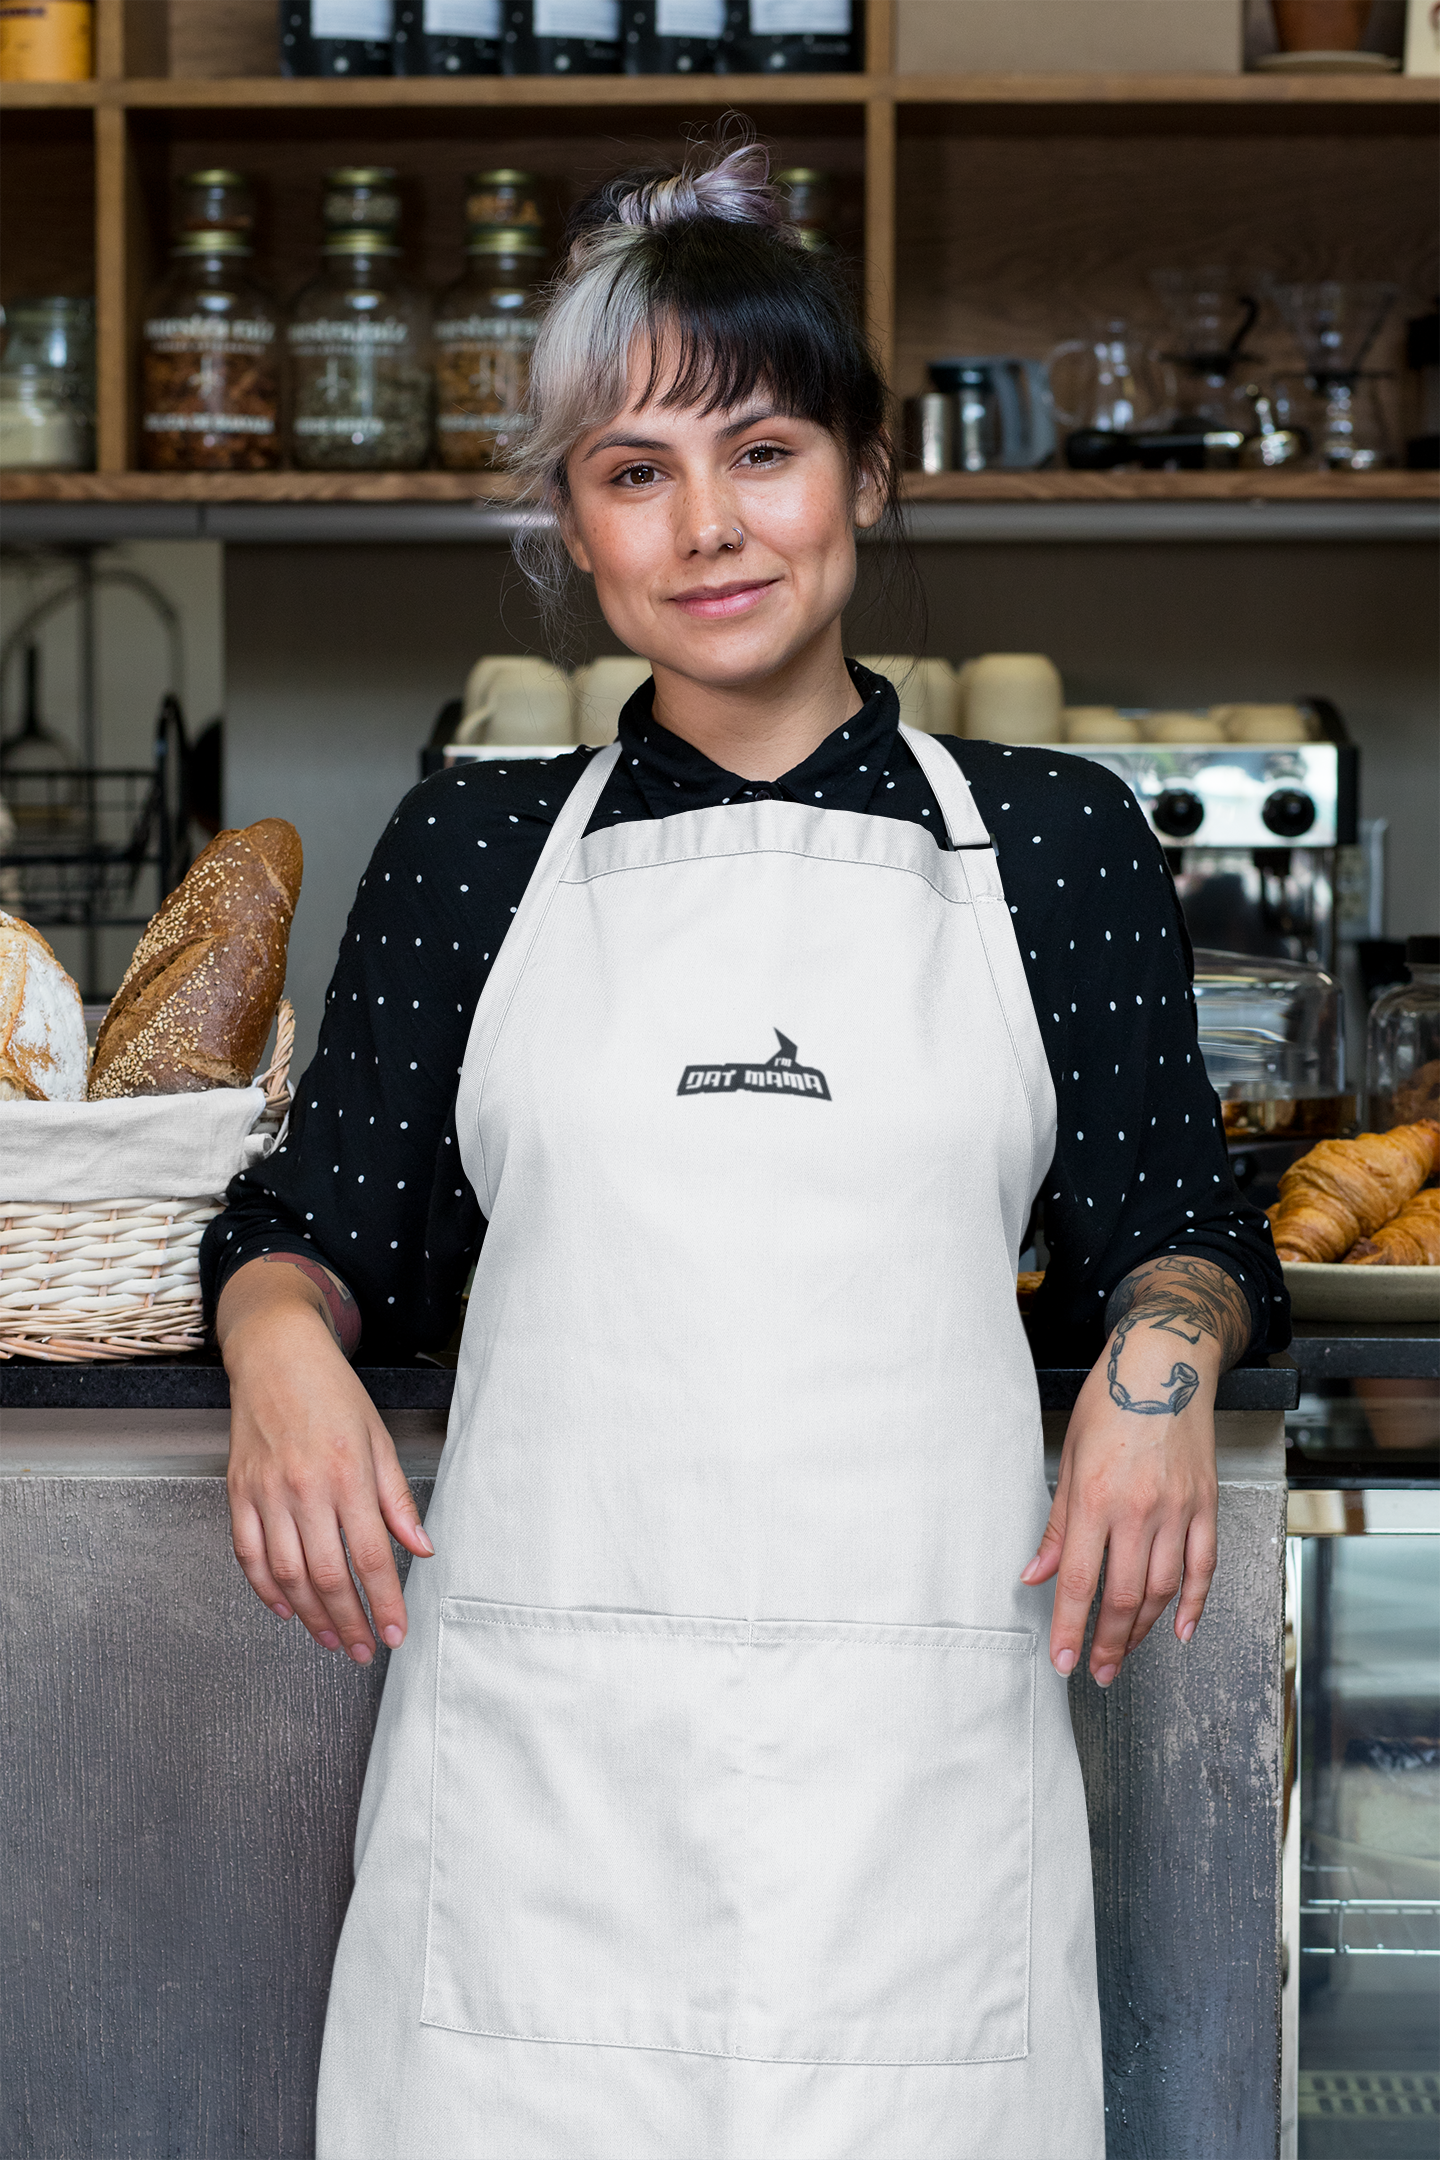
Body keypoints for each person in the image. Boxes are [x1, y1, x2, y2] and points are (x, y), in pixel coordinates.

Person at [203, 136, 1287, 2160]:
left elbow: (1189, 1223)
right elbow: (314, 1225)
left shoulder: (1054, 843)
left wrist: (1160, 1371)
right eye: (636, 472)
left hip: (913, 1789)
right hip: (546, 1792)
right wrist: (276, 1345)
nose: (710, 527)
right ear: (573, 526)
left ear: (868, 474)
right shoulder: (472, 847)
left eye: (764, 452)